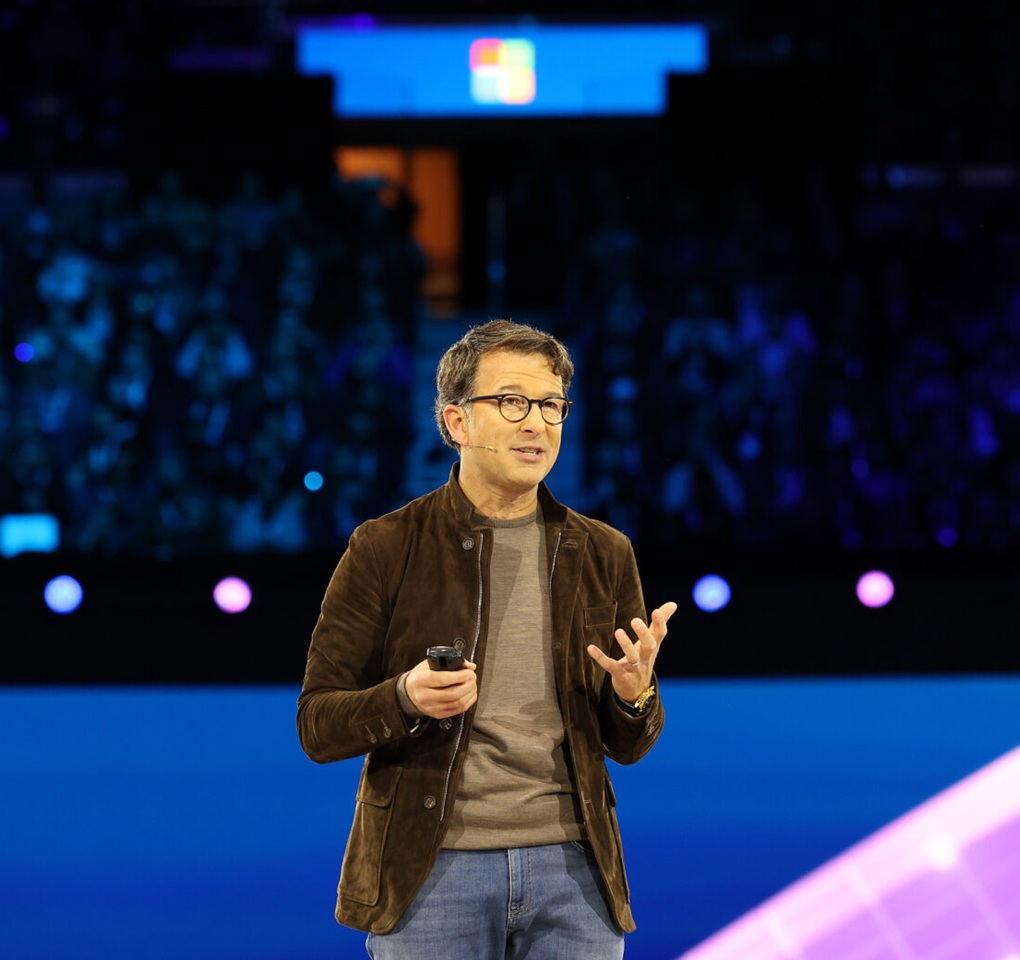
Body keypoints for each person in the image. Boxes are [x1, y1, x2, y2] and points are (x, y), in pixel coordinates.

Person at [297, 319, 676, 959]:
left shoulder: (604, 552)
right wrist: (405, 698)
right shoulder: (384, 547)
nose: (537, 424)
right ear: (457, 422)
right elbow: (318, 725)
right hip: (429, 871)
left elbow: (628, 745)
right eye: (512, 402)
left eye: (551, 405)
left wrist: (634, 695)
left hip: (576, 876)